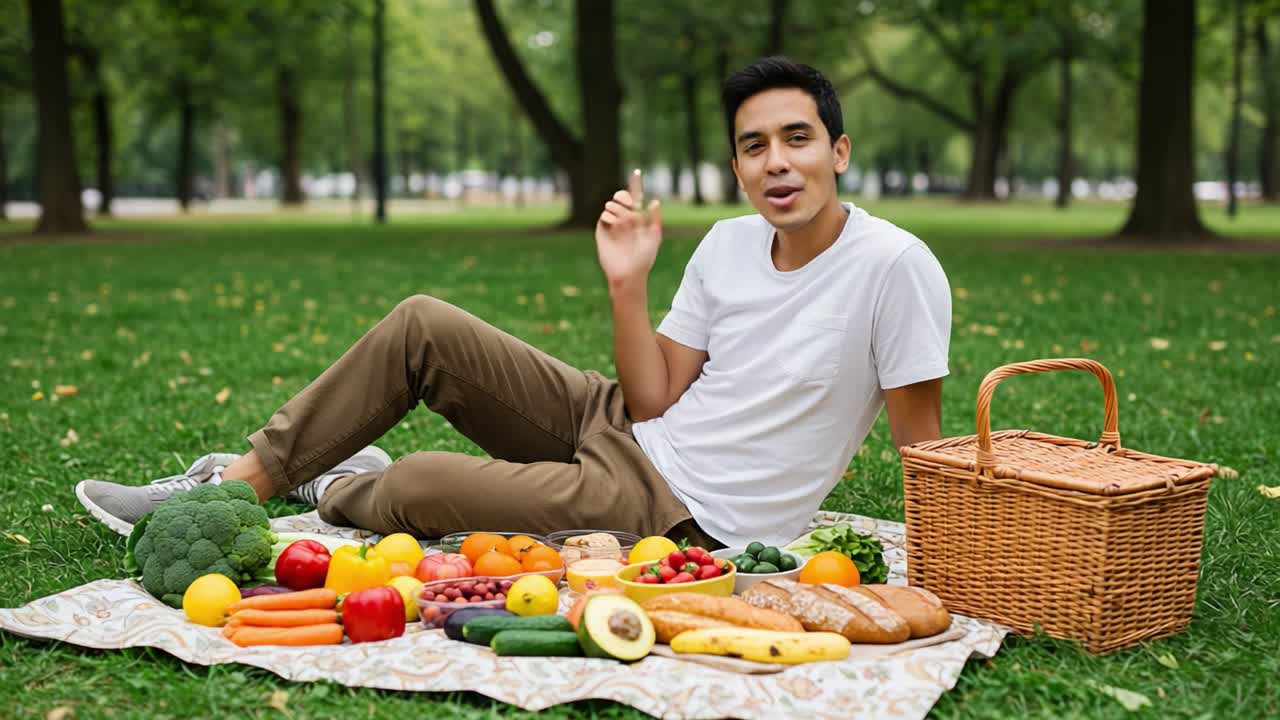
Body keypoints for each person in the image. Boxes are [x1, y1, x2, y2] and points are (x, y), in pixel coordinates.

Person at [76, 57, 950, 550]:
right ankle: (230, 489)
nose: (777, 163)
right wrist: (627, 284)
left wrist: (946, 568)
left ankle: (343, 483)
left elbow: (927, 453)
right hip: (629, 426)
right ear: (736, 167)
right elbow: (652, 399)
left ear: (838, 150)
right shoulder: (727, 241)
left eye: (797, 139)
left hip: (681, 514)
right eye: (754, 147)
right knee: (425, 323)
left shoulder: (894, 268)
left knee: (414, 484)